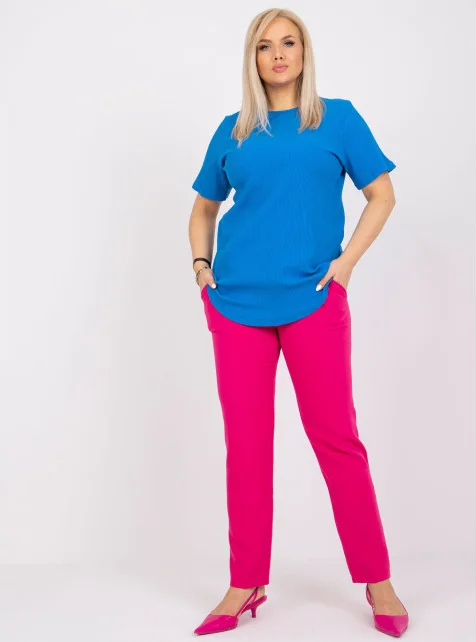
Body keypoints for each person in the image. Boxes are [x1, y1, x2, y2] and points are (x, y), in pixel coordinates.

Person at [188, 8, 409, 638]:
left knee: (337, 439)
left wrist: (344, 265)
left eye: (289, 42)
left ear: (305, 52)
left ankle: (378, 580)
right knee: (247, 447)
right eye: (265, 46)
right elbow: (203, 209)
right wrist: (202, 268)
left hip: (313, 301)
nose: (278, 54)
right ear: (252, 58)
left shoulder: (337, 119)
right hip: (236, 308)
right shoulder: (233, 130)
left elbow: (382, 195)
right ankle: (245, 582)